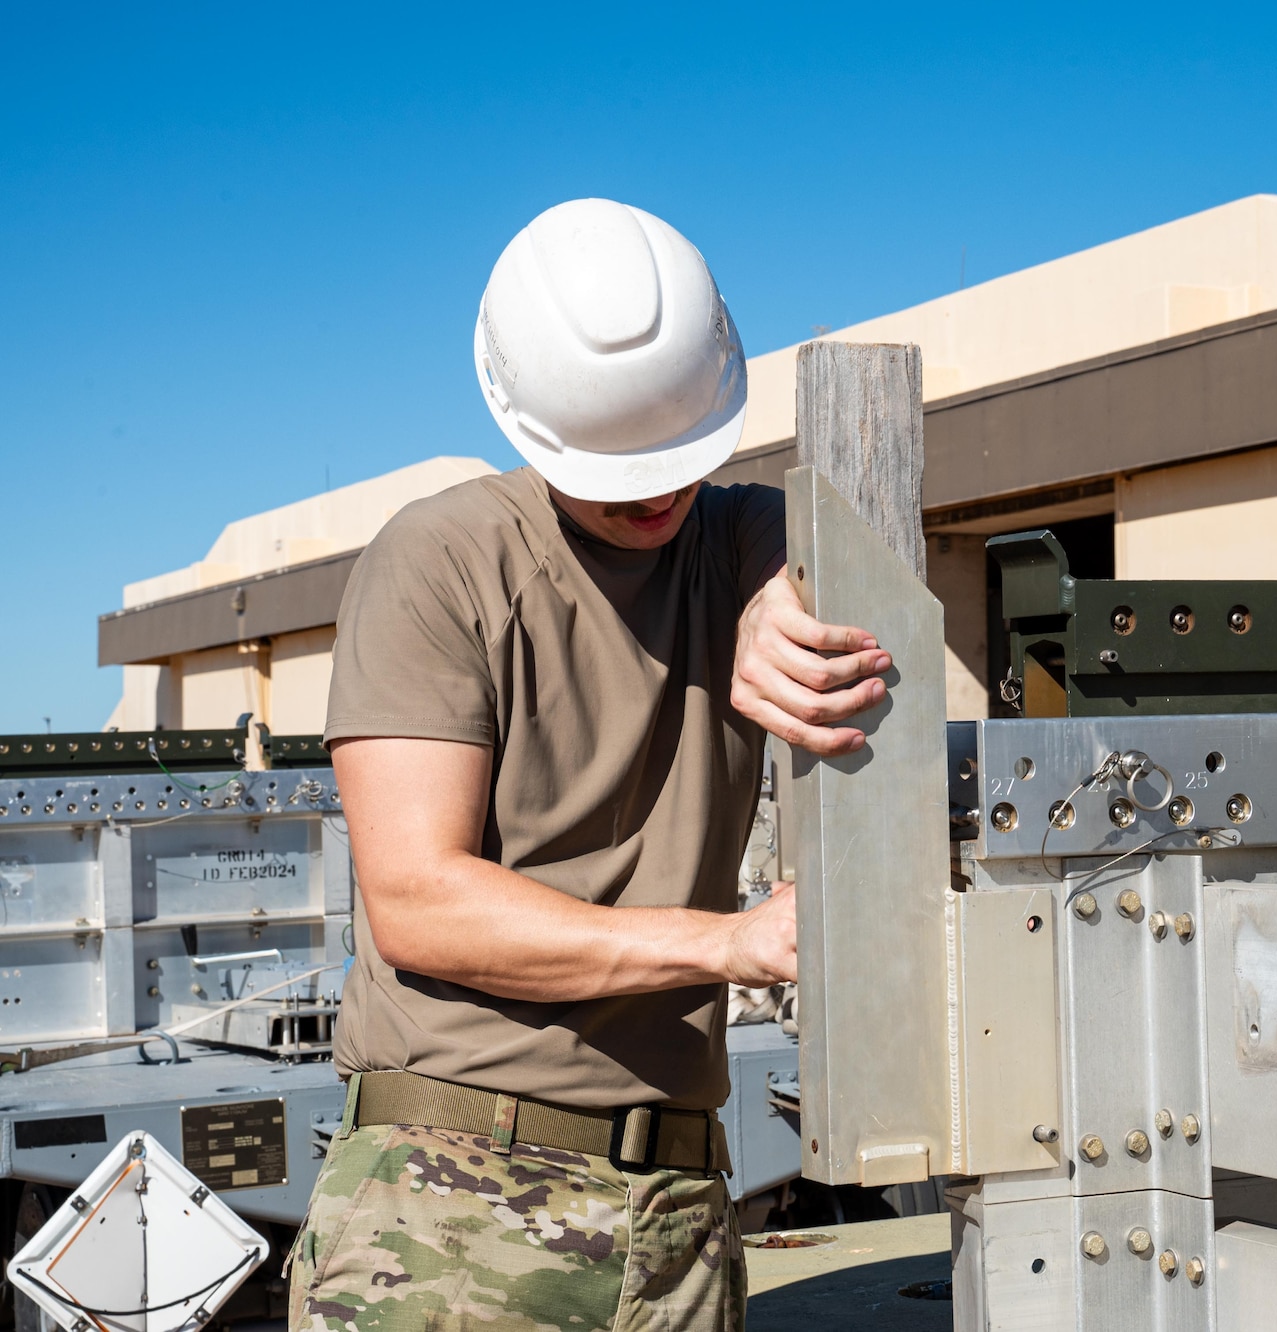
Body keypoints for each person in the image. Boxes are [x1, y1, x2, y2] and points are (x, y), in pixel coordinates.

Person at [288, 198, 887, 1332]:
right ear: (525, 425)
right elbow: (418, 902)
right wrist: (729, 941)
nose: (656, 495)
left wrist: (778, 594)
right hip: (452, 1203)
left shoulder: (751, 535)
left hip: (680, 1204)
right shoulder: (441, 560)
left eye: (679, 459)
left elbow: (809, 544)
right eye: (616, 475)